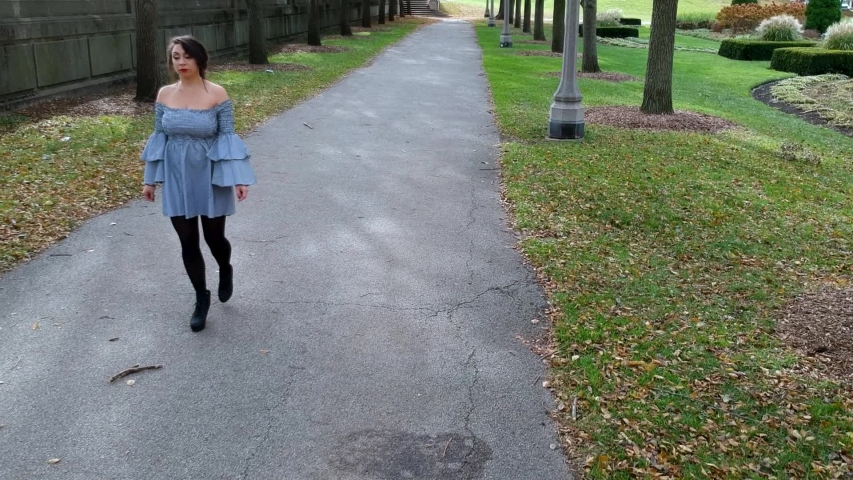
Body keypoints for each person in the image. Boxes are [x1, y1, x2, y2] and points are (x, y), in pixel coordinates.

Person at [140, 36, 256, 333]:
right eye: (176, 57)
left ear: (200, 59)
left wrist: (239, 178)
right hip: (177, 176)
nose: (181, 62)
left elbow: (228, 137)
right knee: (188, 240)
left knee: (215, 239)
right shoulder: (164, 94)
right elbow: (158, 138)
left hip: (210, 174)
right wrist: (150, 179)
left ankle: (225, 268)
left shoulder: (217, 94)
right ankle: (201, 298)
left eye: (187, 56)